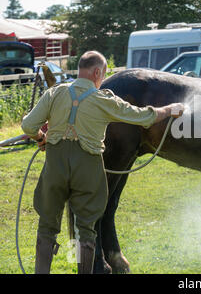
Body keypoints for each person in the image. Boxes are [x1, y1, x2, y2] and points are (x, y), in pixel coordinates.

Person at [21, 51, 184, 274]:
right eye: (103, 74)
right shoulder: (103, 99)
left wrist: (41, 138)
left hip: (55, 170)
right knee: (86, 232)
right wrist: (170, 110)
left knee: (47, 228)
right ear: (97, 72)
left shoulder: (54, 94)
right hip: (87, 170)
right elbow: (145, 117)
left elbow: (28, 125)